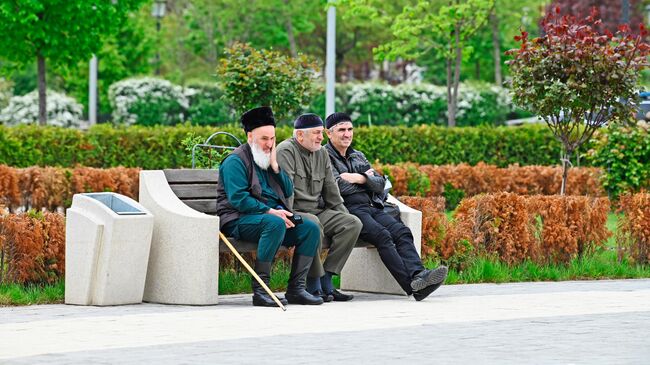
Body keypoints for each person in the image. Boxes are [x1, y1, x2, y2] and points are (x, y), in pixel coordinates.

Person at [324, 112, 448, 301]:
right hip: (348, 210)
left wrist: (360, 178)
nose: (347, 134)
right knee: (382, 236)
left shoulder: (358, 156)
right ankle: (412, 286)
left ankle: (419, 274)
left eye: (350, 129)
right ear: (328, 133)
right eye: (341, 130)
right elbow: (336, 186)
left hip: (372, 205)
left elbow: (380, 183)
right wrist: (368, 180)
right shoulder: (325, 156)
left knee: (402, 232)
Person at [217, 106, 323, 307]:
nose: (269, 144)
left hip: (270, 219)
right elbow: (238, 198)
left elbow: (289, 189)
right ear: (250, 136)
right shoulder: (235, 161)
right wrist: (270, 211)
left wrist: (276, 168)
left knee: (310, 228)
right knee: (274, 224)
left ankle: (297, 289)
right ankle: (261, 290)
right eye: (264, 139)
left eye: (272, 139)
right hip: (238, 220)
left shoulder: (268, 159)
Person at [276, 113, 362, 302]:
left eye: (321, 133)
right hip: (294, 212)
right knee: (313, 225)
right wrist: (290, 218)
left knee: (352, 223)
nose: (321, 138)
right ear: (300, 136)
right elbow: (286, 191)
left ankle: (326, 279)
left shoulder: (321, 152)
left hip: (317, 211)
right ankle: (313, 283)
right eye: (316, 133)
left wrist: (343, 215)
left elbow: (331, 190)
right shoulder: (285, 150)